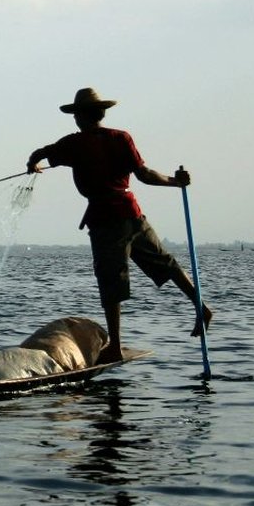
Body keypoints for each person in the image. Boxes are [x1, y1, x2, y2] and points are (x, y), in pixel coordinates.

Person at [26, 87, 212, 363]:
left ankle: (114, 345)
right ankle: (201, 307)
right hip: (133, 215)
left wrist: (33, 165)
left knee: (110, 281)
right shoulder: (121, 138)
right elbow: (145, 175)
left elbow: (39, 152)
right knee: (167, 264)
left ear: (79, 117)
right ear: (100, 114)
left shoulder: (75, 144)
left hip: (106, 221)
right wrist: (175, 182)